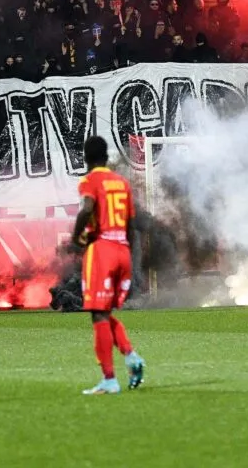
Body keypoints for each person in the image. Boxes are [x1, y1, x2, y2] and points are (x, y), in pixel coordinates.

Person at [71, 136, 146, 395]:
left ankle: (110, 379)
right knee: (104, 312)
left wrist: (75, 236)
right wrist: (130, 257)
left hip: (101, 250)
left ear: (86, 157)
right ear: (106, 156)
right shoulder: (122, 182)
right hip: (122, 250)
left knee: (97, 313)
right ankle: (132, 357)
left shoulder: (89, 181)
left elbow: (86, 209)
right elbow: (131, 225)